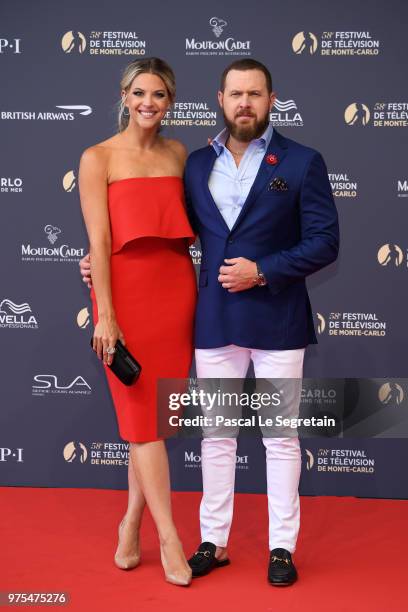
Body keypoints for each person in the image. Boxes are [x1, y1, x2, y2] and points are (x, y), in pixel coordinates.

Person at [81, 58, 339, 586]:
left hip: (277, 319)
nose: (245, 103)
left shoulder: (302, 161)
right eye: (236, 93)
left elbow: (325, 242)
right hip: (212, 318)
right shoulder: (195, 161)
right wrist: (97, 262)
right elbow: (155, 226)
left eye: (256, 94)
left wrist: (263, 271)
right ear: (220, 99)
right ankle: (212, 541)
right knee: (215, 435)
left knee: (281, 436)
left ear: (271, 100)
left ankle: (281, 548)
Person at [78, 57, 196, 586]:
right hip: (124, 298)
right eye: (140, 93)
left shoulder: (178, 153)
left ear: (170, 102)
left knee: (152, 425)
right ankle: (170, 539)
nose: (149, 103)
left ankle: (130, 522)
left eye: (160, 95)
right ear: (124, 96)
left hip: (176, 293)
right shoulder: (97, 156)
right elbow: (99, 243)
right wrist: (106, 315)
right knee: (141, 422)